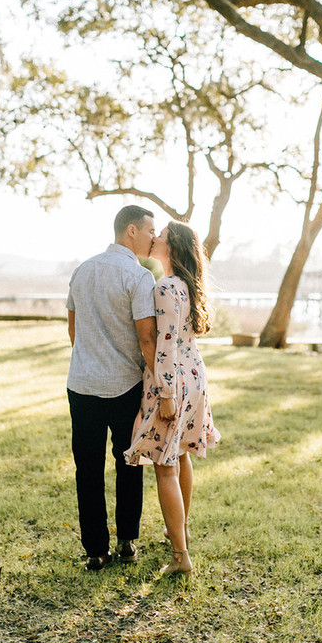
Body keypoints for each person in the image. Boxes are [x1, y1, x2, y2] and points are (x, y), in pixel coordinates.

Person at [125, 221, 221, 576]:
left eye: (161, 234)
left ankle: (180, 556)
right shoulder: (186, 285)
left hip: (173, 380)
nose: (155, 237)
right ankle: (180, 530)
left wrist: (165, 393)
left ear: (173, 246)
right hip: (194, 376)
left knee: (165, 467)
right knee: (179, 454)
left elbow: (164, 345)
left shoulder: (165, 287)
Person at [66, 205, 157, 571]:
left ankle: (95, 550)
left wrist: (90, 358)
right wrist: (161, 384)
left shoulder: (82, 270)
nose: (154, 238)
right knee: (129, 462)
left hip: (82, 385)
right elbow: (147, 339)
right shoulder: (139, 277)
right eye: (150, 231)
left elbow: (73, 330)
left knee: (87, 468)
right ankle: (127, 541)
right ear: (131, 230)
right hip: (125, 385)